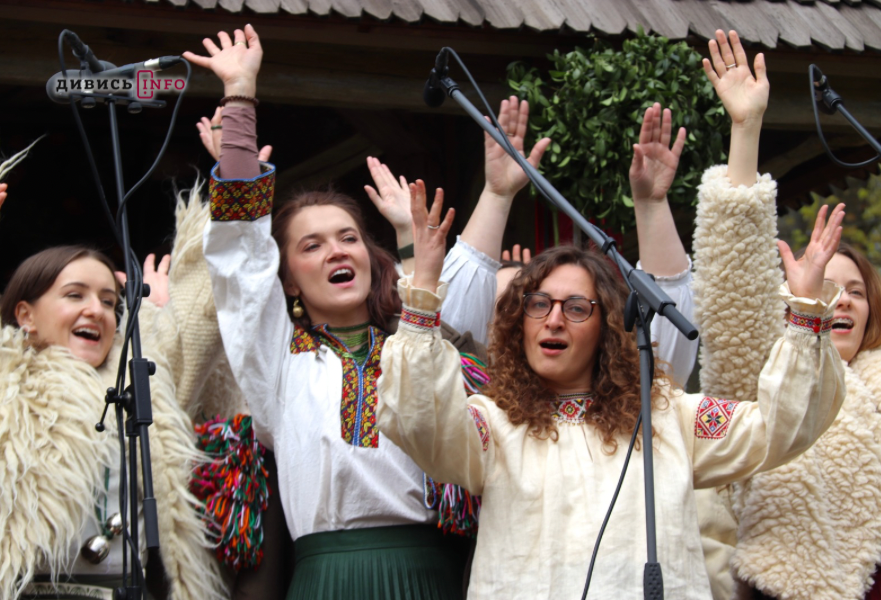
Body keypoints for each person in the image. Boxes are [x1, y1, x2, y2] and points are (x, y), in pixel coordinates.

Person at [376, 107, 846, 599]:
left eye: (577, 308)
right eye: (539, 304)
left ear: (607, 329)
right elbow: (419, 421)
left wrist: (806, 314)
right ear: (518, 324)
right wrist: (423, 290)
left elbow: (779, 427)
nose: (553, 319)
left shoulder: (668, 418)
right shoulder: (491, 425)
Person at [186, 24, 548, 599]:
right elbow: (241, 258)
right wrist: (239, 98)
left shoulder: (415, 345)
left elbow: (457, 292)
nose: (336, 251)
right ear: (288, 280)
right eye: (312, 246)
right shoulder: (278, 360)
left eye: (348, 237)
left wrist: (497, 193)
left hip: (429, 575)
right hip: (327, 578)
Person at [0, 154, 236, 599]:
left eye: (108, 301)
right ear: (25, 315)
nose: (95, 310)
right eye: (74, 295)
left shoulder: (143, 378)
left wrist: (234, 173)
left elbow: (201, 309)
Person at [692, 29, 881, 600]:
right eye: (825, 287)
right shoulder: (765, 377)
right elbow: (735, 291)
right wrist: (746, 129)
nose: (841, 300)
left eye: (856, 292)